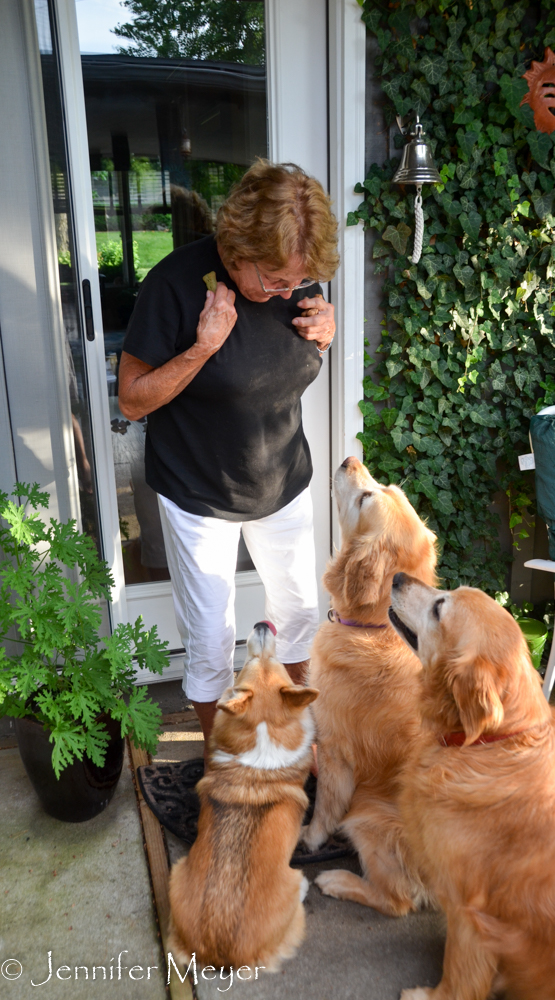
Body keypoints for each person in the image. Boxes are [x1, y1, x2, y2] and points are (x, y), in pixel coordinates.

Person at [118, 160, 338, 759]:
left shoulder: (295, 277)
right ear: (237, 247)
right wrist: (203, 346)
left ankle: (295, 746)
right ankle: (231, 759)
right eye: (273, 281)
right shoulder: (175, 284)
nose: (288, 293)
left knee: (298, 613)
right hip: (200, 491)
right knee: (211, 640)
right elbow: (133, 401)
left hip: (284, 480)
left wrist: (327, 327)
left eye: (300, 284)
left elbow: (294, 350)